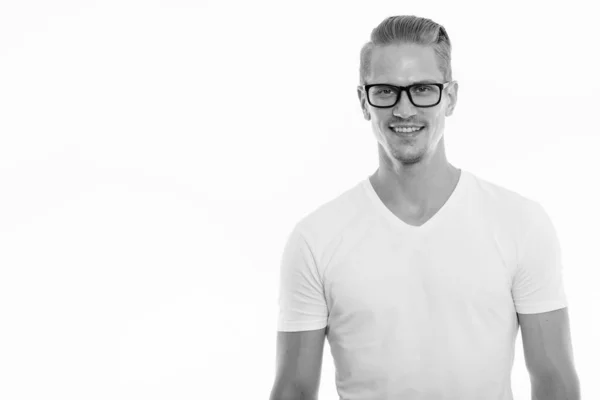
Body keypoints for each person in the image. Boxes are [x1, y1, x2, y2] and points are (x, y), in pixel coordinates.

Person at [269, 15, 580, 400]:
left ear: (449, 97)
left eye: (422, 89)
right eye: (385, 91)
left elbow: (554, 380)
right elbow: (293, 389)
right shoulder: (315, 238)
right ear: (364, 101)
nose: (404, 110)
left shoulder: (520, 223)